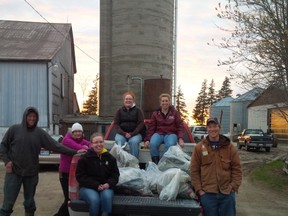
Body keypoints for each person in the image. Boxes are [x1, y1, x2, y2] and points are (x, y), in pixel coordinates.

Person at [0, 107, 81, 216]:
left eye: (34, 117)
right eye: (30, 116)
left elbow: (56, 146)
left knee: (29, 203)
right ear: (25, 117)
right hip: (14, 172)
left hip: (31, 173)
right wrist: (7, 161)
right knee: (7, 204)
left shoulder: (39, 133)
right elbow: (3, 146)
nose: (32, 119)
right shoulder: (14, 129)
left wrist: (75, 152)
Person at [190, 117, 242, 216]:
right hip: (207, 195)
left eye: (215, 126)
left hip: (227, 194)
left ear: (219, 127)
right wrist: (200, 191)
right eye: (210, 127)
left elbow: (237, 169)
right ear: (207, 129)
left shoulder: (230, 147)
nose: (212, 129)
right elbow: (194, 171)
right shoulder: (199, 148)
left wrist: (233, 187)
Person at [76, 132, 120, 216]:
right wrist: (96, 185)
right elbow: (80, 177)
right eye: (96, 142)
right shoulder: (84, 159)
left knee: (107, 198)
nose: (99, 144)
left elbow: (115, 175)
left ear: (104, 143)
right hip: (87, 187)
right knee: (94, 200)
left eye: (101, 142)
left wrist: (108, 184)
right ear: (91, 144)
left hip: (106, 187)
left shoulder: (111, 158)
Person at [54, 123, 91, 216]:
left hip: (75, 175)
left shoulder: (81, 140)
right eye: (76, 131)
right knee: (68, 198)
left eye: (80, 131)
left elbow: (90, 145)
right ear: (72, 132)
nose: (78, 133)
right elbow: (80, 148)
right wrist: (85, 147)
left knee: (73, 198)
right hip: (65, 174)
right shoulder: (67, 140)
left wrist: (88, 146)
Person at [144, 93, 184, 164]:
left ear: (169, 102)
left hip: (171, 134)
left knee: (170, 144)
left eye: (166, 101)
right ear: (160, 102)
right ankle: (156, 163)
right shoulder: (155, 114)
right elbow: (151, 128)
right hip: (159, 134)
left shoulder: (175, 113)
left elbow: (180, 126)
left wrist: (180, 138)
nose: (164, 103)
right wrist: (147, 139)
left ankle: (163, 163)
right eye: (163, 101)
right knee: (152, 143)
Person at [114, 91, 145, 158]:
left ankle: (133, 162)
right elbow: (116, 124)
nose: (128, 100)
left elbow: (141, 123)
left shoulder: (138, 110)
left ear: (133, 100)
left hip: (135, 134)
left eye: (130, 99)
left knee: (133, 142)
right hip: (122, 134)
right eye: (126, 99)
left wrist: (132, 134)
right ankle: (120, 162)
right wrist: (124, 133)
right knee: (119, 141)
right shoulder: (119, 111)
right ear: (124, 100)